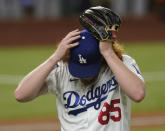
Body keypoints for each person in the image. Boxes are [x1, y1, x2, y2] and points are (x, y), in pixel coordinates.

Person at [14, 6, 146, 131]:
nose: (84, 75)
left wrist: (108, 53)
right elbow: (21, 95)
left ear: (101, 59)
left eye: (89, 67)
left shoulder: (120, 63)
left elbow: (138, 94)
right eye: (79, 67)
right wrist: (54, 58)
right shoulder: (62, 70)